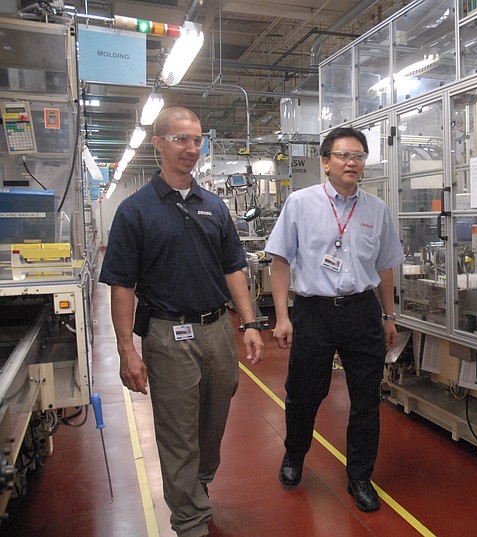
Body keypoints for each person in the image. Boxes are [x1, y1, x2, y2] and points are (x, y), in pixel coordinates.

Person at [99, 106, 264, 537]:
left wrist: (248, 324)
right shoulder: (135, 211)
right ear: (158, 144)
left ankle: (198, 483)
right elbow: (121, 286)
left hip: (216, 331)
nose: (191, 148)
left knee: (214, 419)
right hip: (167, 334)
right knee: (177, 430)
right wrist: (126, 351)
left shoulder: (214, 206)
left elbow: (233, 269)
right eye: (180, 139)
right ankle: (189, 519)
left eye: (197, 140)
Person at [266, 126, 404, 512]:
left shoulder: (377, 210)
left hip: (362, 312)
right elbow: (280, 261)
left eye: (358, 156)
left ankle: (360, 477)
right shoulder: (300, 202)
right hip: (314, 312)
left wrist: (389, 316)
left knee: (366, 399)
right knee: (304, 393)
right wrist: (282, 317)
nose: (352, 162)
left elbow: (386, 267)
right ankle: (294, 456)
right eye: (343, 155)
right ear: (325, 162)